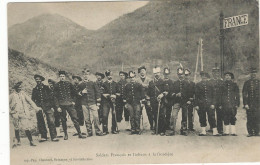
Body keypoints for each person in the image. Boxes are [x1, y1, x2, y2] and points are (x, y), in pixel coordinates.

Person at [53, 71, 86, 140]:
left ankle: (79, 133)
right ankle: (65, 134)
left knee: (75, 118)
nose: (62, 77)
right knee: (63, 120)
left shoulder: (69, 84)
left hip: (69, 104)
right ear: (59, 77)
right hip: (62, 105)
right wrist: (57, 107)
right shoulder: (56, 85)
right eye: (61, 76)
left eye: (63, 76)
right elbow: (55, 97)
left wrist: (73, 101)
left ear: (65, 77)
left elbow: (75, 93)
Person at [9, 81, 41, 146]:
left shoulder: (23, 94)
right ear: (16, 88)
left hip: (23, 113)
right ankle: (18, 141)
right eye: (19, 87)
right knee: (16, 127)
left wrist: (36, 107)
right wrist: (10, 111)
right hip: (15, 114)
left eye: (21, 87)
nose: (20, 89)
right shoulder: (12, 95)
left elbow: (30, 101)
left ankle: (31, 141)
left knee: (26, 127)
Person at [32, 74, 59, 142]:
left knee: (51, 120)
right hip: (39, 107)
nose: (38, 80)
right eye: (36, 79)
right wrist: (36, 107)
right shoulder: (35, 89)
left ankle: (53, 136)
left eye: (39, 79)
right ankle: (43, 136)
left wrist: (52, 106)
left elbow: (52, 97)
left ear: (41, 80)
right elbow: (32, 99)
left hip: (48, 106)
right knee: (40, 121)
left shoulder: (46, 88)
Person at [78, 70, 103, 136]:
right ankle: (89, 132)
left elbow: (98, 92)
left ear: (89, 75)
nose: (85, 76)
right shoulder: (80, 84)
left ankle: (98, 131)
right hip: (84, 103)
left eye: (87, 74)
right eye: (84, 74)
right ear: (83, 76)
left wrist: (98, 103)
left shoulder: (93, 83)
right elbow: (77, 94)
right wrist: (81, 92)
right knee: (86, 118)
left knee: (96, 117)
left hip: (92, 103)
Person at [194, 71, 219, 136]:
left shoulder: (211, 84)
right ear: (201, 77)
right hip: (201, 104)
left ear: (207, 77)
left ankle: (215, 131)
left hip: (210, 104)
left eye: (205, 77)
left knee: (212, 117)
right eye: (203, 77)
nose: (204, 78)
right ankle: (203, 131)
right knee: (202, 117)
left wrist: (213, 104)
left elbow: (214, 95)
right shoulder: (198, 85)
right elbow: (196, 96)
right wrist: (196, 105)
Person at [166, 67, 189, 136]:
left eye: (181, 74)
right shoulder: (174, 83)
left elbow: (189, 93)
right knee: (173, 115)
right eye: (179, 74)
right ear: (177, 74)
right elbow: (171, 92)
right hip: (177, 102)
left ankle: (183, 130)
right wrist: (175, 94)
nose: (180, 75)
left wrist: (182, 94)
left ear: (183, 74)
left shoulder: (187, 83)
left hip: (184, 101)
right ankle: (172, 130)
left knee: (184, 115)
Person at [147, 66, 167, 136]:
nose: (157, 74)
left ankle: (162, 130)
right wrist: (149, 101)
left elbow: (166, 91)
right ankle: (156, 129)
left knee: (161, 115)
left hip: (161, 101)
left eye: (158, 72)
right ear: (153, 74)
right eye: (155, 73)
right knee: (155, 115)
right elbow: (148, 93)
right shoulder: (151, 82)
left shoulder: (163, 81)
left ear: (160, 73)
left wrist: (162, 94)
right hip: (153, 101)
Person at [242, 67, 260, 137]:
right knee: (250, 118)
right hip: (250, 103)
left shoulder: (259, 82)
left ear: (256, 74)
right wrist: (245, 103)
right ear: (250, 74)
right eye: (252, 73)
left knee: (258, 117)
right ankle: (250, 132)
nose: (253, 74)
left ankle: (257, 131)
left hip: (258, 103)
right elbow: (244, 94)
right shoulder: (247, 83)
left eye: (255, 73)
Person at [221, 72, 240, 136]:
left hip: (232, 103)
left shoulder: (234, 85)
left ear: (231, 77)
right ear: (224, 77)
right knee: (225, 116)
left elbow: (237, 95)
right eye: (226, 75)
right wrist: (220, 104)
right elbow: (220, 95)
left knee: (233, 116)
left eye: (229, 76)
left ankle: (233, 131)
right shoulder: (222, 84)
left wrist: (237, 103)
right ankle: (226, 131)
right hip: (224, 103)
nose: (228, 77)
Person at [136, 66, 154, 130]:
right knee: (138, 112)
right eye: (141, 71)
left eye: (143, 71)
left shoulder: (150, 79)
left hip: (148, 98)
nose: (142, 73)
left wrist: (142, 85)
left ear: (146, 72)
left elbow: (151, 87)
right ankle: (138, 126)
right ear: (139, 73)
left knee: (149, 112)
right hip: (140, 98)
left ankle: (152, 125)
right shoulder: (137, 80)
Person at [102, 70, 119, 134]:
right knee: (105, 115)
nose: (110, 76)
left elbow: (118, 92)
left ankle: (114, 129)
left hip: (114, 102)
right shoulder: (103, 84)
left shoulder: (115, 84)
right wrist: (109, 96)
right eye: (108, 75)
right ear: (106, 76)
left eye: (111, 75)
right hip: (106, 102)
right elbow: (102, 93)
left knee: (114, 115)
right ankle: (105, 130)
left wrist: (115, 96)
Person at [209, 64, 224, 134]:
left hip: (219, 100)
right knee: (211, 115)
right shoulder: (210, 81)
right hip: (211, 100)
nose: (216, 74)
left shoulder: (221, 81)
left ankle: (220, 129)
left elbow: (223, 92)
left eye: (217, 72)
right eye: (214, 72)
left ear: (219, 73)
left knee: (220, 115)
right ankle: (212, 127)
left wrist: (222, 103)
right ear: (212, 73)